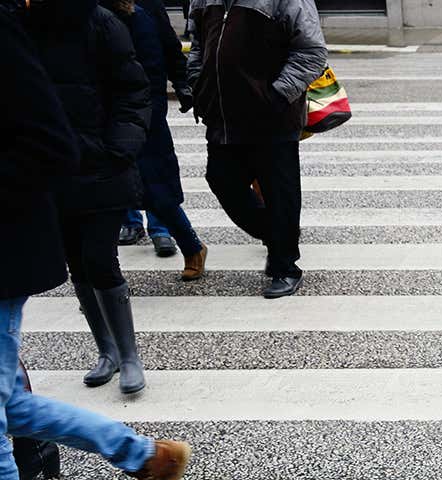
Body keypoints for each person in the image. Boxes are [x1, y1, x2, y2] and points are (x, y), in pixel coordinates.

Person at [0, 3, 191, 480]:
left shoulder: (87, 21)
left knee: (100, 268)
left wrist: (118, 150)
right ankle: (145, 456)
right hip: (55, 195)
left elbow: (133, 87)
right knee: (9, 407)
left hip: (52, 204)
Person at [24, 0, 152, 395]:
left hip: (101, 164)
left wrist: (118, 147)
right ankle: (107, 351)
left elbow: (133, 90)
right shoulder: (23, 23)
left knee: (99, 258)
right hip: (53, 168)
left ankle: (130, 356)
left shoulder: (101, 22)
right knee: (77, 263)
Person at [187, 0, 326, 299]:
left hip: (272, 118)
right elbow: (197, 44)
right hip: (222, 116)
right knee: (222, 180)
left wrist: (275, 97)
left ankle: (285, 266)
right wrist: (196, 83)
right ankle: (278, 236)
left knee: (280, 192)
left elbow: (312, 52)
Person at [107, 0, 208, 281]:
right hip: (99, 110)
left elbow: (168, 48)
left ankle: (187, 242)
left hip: (143, 109)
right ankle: (102, 280)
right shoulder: (84, 12)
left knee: (155, 185)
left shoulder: (145, 8)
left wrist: (182, 83)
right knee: (103, 193)